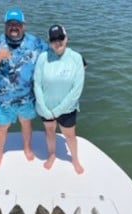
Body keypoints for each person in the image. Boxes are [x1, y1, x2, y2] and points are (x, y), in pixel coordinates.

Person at [0, 8, 48, 167]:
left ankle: (27, 148)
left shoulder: (35, 43)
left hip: (26, 98)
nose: (14, 27)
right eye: (10, 24)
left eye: (17, 24)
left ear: (24, 25)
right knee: (2, 126)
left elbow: (53, 53)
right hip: (3, 100)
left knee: (26, 123)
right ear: (5, 26)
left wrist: (77, 60)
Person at [33, 24, 85, 174]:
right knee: (49, 132)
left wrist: (58, 110)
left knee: (70, 135)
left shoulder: (76, 58)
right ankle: (52, 154)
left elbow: (76, 90)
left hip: (67, 109)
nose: (57, 42)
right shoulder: (43, 58)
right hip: (46, 109)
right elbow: (37, 83)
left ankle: (74, 159)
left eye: (60, 38)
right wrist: (42, 107)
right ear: (49, 42)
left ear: (66, 38)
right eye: (53, 39)